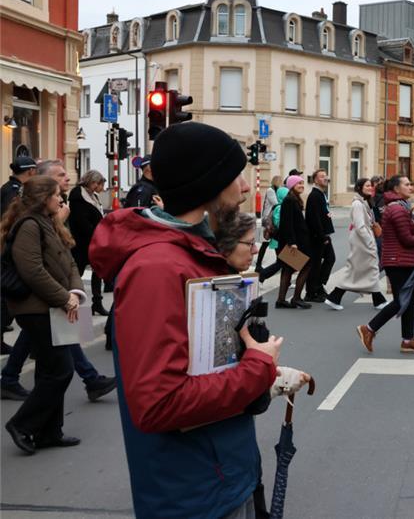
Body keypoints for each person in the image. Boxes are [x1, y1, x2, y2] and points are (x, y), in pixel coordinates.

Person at [89, 122, 282, 518]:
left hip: (222, 472)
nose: (246, 187)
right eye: (236, 176)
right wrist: (257, 368)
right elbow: (159, 403)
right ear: (207, 186)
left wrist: (255, 359)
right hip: (196, 493)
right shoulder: (158, 269)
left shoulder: (194, 253)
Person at [214, 210, 311, 519]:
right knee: (246, 476)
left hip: (240, 404)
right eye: (249, 243)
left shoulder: (242, 285)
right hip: (225, 411)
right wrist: (266, 367)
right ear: (225, 248)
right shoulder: (216, 293)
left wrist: (275, 374)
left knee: (252, 473)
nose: (256, 250)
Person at [2, 162, 117, 403]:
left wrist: (74, 292)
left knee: (59, 340)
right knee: (62, 349)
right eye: (61, 175)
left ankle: (10, 378)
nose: (68, 179)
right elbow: (33, 266)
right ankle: (89, 379)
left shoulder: (57, 210)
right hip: (46, 295)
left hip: (60, 291)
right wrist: (66, 297)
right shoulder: (34, 218)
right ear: (43, 186)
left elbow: (67, 254)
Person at [2, 176, 85, 455]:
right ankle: (22, 424)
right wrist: (64, 298)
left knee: (49, 370)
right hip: (35, 309)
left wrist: (76, 292)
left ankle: (49, 432)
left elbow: (69, 260)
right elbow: (32, 271)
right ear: (42, 198)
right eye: (57, 194)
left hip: (55, 305)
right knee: (61, 370)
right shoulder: (28, 225)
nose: (61, 199)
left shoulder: (49, 222)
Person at [356, 175, 414, 354]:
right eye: (406, 184)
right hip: (398, 261)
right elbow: (406, 239)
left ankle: (408, 340)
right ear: (396, 189)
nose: (410, 187)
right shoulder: (397, 209)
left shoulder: (400, 207)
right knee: (401, 301)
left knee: (409, 300)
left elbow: (405, 231)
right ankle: (369, 328)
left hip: (400, 260)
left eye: (410, 183)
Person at [324, 178, 388, 310]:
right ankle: (378, 299)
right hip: (361, 240)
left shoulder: (363, 202)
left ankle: (336, 297)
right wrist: (370, 242)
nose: (370, 188)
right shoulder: (358, 204)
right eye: (367, 186)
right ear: (359, 188)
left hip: (361, 239)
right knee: (368, 268)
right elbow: (360, 226)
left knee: (360, 269)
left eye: (371, 186)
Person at [1, 155, 38, 352]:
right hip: (8, 248)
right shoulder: (14, 192)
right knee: (6, 292)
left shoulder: (9, 188)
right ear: (30, 171)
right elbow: (10, 219)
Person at [68, 170, 109, 316]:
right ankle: (74, 302)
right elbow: (82, 223)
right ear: (93, 183)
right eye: (100, 185)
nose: (102, 188)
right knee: (77, 273)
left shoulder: (92, 196)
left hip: (93, 241)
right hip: (82, 243)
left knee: (97, 271)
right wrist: (97, 234)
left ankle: (97, 303)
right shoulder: (78, 197)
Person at [276, 174, 313, 309]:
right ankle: (296, 298)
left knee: (288, 269)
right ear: (292, 186)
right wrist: (292, 242)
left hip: (296, 240)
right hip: (295, 241)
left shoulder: (294, 199)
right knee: (305, 266)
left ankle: (281, 300)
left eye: (303, 183)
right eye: (299, 184)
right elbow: (287, 223)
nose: (302, 186)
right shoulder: (289, 200)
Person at [305, 169, 335, 302]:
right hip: (318, 236)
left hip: (323, 234)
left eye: (326, 176)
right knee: (316, 264)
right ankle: (312, 292)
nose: (326, 178)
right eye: (322, 176)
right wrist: (322, 237)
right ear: (315, 180)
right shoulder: (314, 196)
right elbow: (314, 218)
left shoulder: (321, 194)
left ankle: (318, 286)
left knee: (329, 259)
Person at [258, 185, 289, 284]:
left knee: (285, 262)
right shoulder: (280, 208)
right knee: (283, 262)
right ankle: (263, 274)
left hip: (279, 240)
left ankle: (286, 282)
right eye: (287, 194)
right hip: (280, 240)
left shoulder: (281, 207)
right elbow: (280, 225)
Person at [256, 175, 282, 274]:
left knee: (270, 241)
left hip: (271, 217)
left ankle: (278, 261)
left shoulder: (274, 190)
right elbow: (276, 203)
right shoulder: (271, 190)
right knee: (267, 241)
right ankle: (259, 265)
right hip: (268, 218)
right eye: (280, 181)